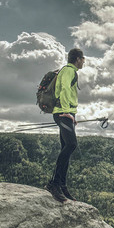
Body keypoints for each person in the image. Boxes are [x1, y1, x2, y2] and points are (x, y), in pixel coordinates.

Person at [45, 48, 84, 202]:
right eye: (83, 59)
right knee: (71, 145)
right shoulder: (69, 71)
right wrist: (67, 112)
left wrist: (71, 115)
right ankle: (53, 184)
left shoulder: (67, 70)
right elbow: (65, 90)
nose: (83, 62)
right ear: (78, 58)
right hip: (63, 112)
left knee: (66, 147)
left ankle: (61, 185)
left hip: (65, 113)